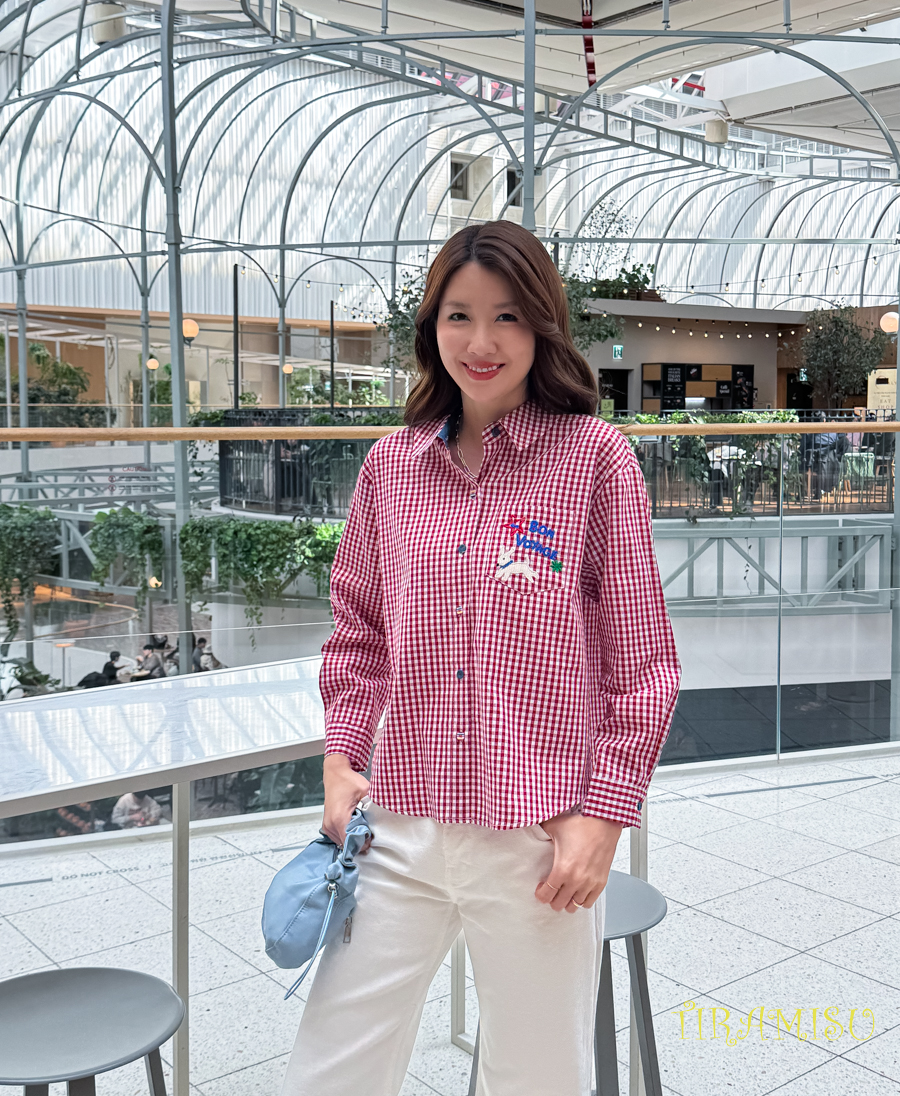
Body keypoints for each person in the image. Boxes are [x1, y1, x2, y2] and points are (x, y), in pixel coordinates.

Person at [280, 221, 680, 1096]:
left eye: (507, 316)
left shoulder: (594, 461)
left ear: (542, 325)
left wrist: (605, 817)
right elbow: (359, 634)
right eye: (459, 315)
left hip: (536, 836)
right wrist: (341, 760)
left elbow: (644, 661)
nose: (482, 342)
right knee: (329, 1071)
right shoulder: (391, 469)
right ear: (432, 328)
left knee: (537, 1077)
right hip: (398, 822)